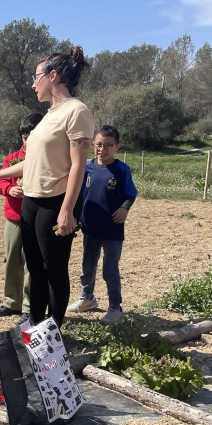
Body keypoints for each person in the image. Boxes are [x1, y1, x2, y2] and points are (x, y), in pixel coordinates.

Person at [0, 46, 94, 329]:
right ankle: (36, 327)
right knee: (35, 269)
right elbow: (32, 161)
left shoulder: (77, 111)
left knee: (54, 270)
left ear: (53, 76)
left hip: (56, 202)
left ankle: (53, 331)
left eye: (35, 76)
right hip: (32, 201)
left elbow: (78, 165)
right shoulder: (50, 114)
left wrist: (67, 211)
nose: (32, 83)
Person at [68, 125, 137, 325]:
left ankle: (115, 307)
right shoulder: (86, 168)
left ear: (117, 147)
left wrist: (124, 208)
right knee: (87, 265)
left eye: (108, 145)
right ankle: (87, 298)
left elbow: (131, 194)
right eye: (98, 144)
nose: (102, 149)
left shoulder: (122, 170)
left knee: (110, 269)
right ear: (92, 145)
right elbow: (78, 193)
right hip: (90, 226)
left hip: (113, 228)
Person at [0, 113, 44, 324]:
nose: (27, 142)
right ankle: (11, 302)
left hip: (35, 219)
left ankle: (29, 306)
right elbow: (1, 181)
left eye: (31, 137)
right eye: (24, 137)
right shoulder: (12, 159)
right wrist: (10, 189)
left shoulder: (44, 159)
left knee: (32, 263)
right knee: (12, 260)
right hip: (13, 219)